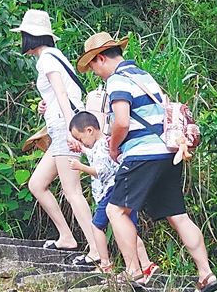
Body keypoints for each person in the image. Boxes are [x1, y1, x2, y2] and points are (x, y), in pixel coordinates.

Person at [77, 32, 217, 292]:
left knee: (115, 211)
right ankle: (206, 275)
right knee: (178, 215)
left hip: (141, 154)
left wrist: (113, 148)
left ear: (100, 58)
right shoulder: (144, 76)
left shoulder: (118, 80)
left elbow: (121, 121)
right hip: (168, 153)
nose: (95, 72)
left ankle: (134, 275)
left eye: (93, 66)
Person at [12, 9, 99, 265]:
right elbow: (59, 94)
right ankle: (66, 237)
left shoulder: (47, 59)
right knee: (37, 184)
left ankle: (95, 250)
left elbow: (62, 95)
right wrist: (45, 104)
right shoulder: (54, 56)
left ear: (31, 37)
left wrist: (72, 131)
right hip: (61, 126)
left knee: (72, 191)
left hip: (65, 129)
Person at [68, 111, 160, 280]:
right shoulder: (102, 145)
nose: (82, 143)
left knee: (96, 226)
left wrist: (80, 167)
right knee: (129, 230)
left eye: (80, 139)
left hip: (110, 193)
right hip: (122, 190)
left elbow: (101, 171)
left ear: (89, 130)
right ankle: (146, 265)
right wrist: (82, 149)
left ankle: (105, 263)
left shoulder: (102, 146)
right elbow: (93, 154)